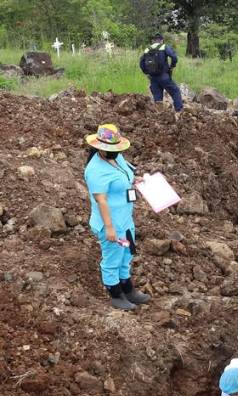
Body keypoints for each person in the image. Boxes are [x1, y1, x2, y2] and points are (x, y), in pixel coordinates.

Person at [84, 124, 150, 310]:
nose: (115, 152)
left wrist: (133, 180)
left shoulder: (117, 157)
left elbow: (124, 175)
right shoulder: (95, 170)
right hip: (110, 222)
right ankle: (115, 294)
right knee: (112, 258)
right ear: (99, 147)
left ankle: (128, 290)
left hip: (124, 219)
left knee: (126, 254)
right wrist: (110, 227)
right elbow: (101, 201)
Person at [139, 33, 182, 112]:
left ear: (153, 40)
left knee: (158, 99)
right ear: (162, 40)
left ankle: (159, 117)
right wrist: (172, 66)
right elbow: (174, 57)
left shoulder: (147, 49)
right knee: (175, 91)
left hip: (153, 78)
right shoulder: (164, 46)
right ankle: (179, 112)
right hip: (164, 76)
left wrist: (147, 73)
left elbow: (141, 63)